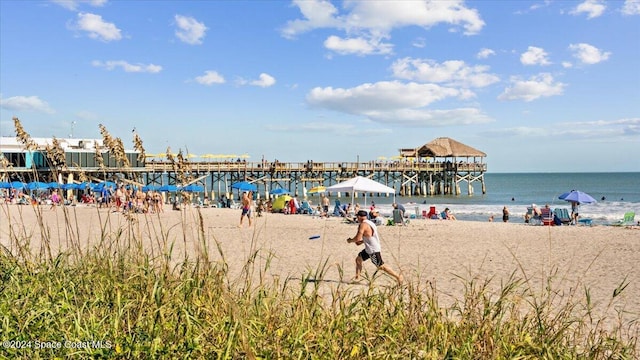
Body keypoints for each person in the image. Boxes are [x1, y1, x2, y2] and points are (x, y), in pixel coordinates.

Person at [346, 210, 403, 284]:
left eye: (357, 217)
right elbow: (368, 236)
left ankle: (398, 276)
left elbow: (357, 238)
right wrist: (362, 242)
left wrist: (350, 240)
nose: (357, 218)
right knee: (358, 259)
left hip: (373, 249)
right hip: (369, 248)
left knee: (381, 266)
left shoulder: (363, 225)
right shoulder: (370, 223)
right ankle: (357, 278)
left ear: (359, 217)